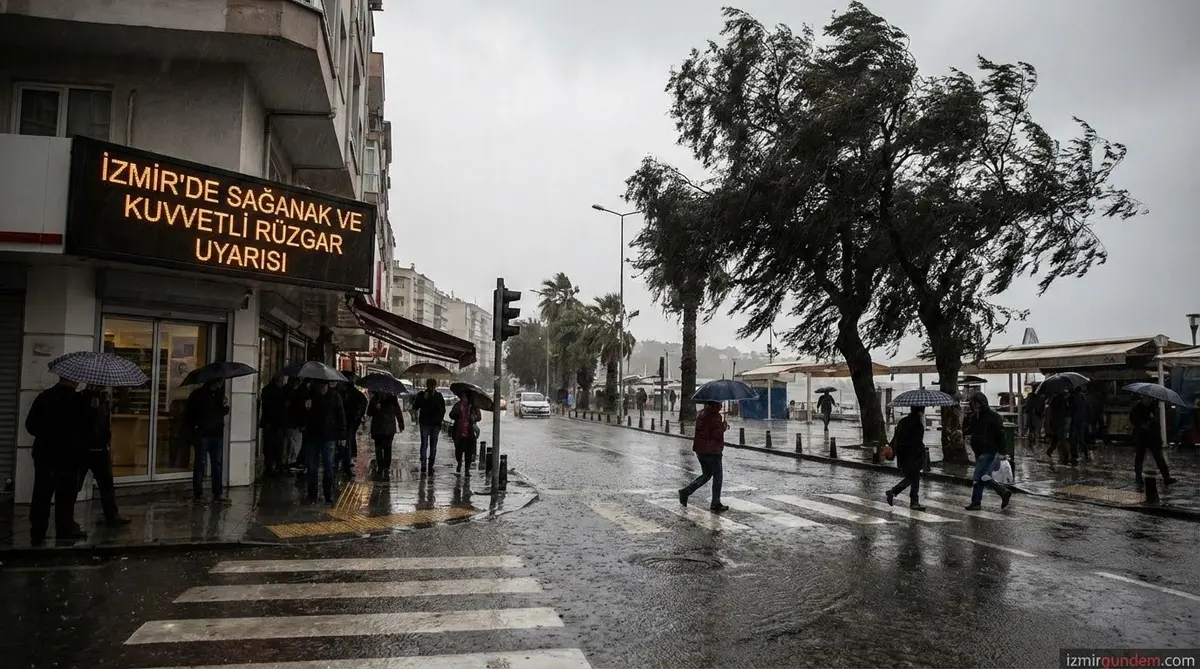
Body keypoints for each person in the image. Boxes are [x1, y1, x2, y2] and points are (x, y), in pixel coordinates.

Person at [26, 376, 89, 544]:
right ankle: (64, 529)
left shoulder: (44, 397)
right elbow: (87, 428)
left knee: (41, 494)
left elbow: (30, 425)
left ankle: (38, 531)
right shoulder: (78, 400)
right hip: (68, 456)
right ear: (74, 380)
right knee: (65, 496)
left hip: (44, 454)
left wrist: (45, 434)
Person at [79, 385, 128, 527]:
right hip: (85, 448)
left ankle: (112, 515)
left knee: (107, 484)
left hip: (100, 447)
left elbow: (104, 423)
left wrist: (106, 440)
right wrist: (92, 410)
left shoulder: (103, 400)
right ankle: (66, 518)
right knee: (75, 484)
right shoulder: (82, 399)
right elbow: (84, 422)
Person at [962, 392, 1012, 510]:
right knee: (983, 476)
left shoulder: (992, 416)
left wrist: (1002, 451)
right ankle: (981, 501)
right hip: (979, 451)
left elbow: (1001, 434)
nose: (974, 406)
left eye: (976, 403)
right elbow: (969, 430)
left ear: (981, 403)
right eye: (973, 403)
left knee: (978, 476)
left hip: (989, 450)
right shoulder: (975, 417)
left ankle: (1000, 493)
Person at [678, 401, 729, 512]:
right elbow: (715, 434)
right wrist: (723, 427)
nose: (720, 406)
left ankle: (686, 491)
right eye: (719, 404)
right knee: (718, 476)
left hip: (700, 450)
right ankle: (715, 503)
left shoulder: (701, 414)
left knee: (706, 474)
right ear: (716, 405)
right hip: (712, 451)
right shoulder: (715, 416)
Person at [184, 379, 230, 502]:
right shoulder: (198, 394)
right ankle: (198, 493)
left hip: (216, 433)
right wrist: (195, 427)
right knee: (200, 463)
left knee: (216, 464)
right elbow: (189, 413)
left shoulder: (220, 395)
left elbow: (224, 411)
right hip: (202, 432)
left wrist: (225, 406)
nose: (221, 384)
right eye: (219, 381)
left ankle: (217, 493)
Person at [303, 381, 346, 503]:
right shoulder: (310, 396)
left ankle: (328, 493)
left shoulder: (335, 396)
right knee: (312, 466)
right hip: (313, 435)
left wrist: (342, 435)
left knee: (329, 465)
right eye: (319, 385)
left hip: (329, 436)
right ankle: (312, 493)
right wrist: (306, 407)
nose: (322, 387)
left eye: (324, 385)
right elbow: (303, 415)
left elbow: (340, 415)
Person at [885, 406, 926, 510]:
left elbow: (896, 437)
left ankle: (914, 501)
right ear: (920, 412)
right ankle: (893, 492)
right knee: (912, 478)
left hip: (903, 455)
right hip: (913, 455)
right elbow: (917, 442)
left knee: (914, 478)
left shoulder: (902, 422)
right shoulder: (917, 425)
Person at [1130, 395, 1177, 486]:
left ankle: (1166, 477)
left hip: (1153, 437)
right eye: (1146, 398)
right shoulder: (1137, 408)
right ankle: (1138, 478)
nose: (1148, 400)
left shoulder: (1154, 407)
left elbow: (1156, 422)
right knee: (1140, 457)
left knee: (1159, 457)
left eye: (1149, 398)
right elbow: (1135, 421)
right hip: (1142, 436)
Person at [367, 391, 404, 480]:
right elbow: (369, 412)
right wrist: (376, 408)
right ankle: (384, 467)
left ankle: (383, 467)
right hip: (383, 428)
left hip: (384, 428)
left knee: (382, 448)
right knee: (384, 448)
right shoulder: (375, 400)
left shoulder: (390, 399)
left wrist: (401, 423)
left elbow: (397, 411)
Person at [412, 378, 446, 475]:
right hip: (425, 423)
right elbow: (415, 406)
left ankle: (430, 464)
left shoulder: (439, 396)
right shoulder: (422, 395)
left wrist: (439, 420)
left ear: (435, 386)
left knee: (433, 445)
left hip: (435, 424)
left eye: (432, 386)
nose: (431, 388)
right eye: (429, 385)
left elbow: (442, 410)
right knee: (424, 444)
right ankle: (424, 464)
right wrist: (423, 399)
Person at [259, 375, 290, 476]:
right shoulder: (275, 392)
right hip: (274, 423)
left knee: (274, 447)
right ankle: (275, 467)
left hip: (275, 423)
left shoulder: (269, 391)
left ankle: (273, 467)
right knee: (275, 447)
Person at [337, 379, 368, 476]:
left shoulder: (342, 394)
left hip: (348, 421)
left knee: (346, 441)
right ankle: (347, 459)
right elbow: (364, 402)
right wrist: (360, 414)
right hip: (351, 421)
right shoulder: (354, 394)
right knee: (349, 439)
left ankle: (345, 460)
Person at [449, 392, 482, 474]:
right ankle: (459, 462)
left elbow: (479, 417)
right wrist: (456, 414)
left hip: (470, 433)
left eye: (465, 397)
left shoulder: (473, 407)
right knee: (458, 451)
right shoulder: (458, 405)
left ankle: (467, 469)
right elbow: (451, 415)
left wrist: (473, 417)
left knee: (469, 452)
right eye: (462, 397)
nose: (464, 399)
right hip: (459, 432)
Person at [285, 378, 307, 472]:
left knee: (293, 443)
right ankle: (292, 462)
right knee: (294, 443)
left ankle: (291, 462)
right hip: (293, 423)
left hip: (293, 423)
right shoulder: (298, 392)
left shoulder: (294, 392)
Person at [1069, 386, 1091, 464]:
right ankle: (1085, 454)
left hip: (1075, 419)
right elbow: (1088, 408)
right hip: (1082, 419)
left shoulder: (1076, 397)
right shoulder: (1084, 397)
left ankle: (1075, 454)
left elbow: (1073, 408)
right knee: (1079, 438)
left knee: (1074, 438)